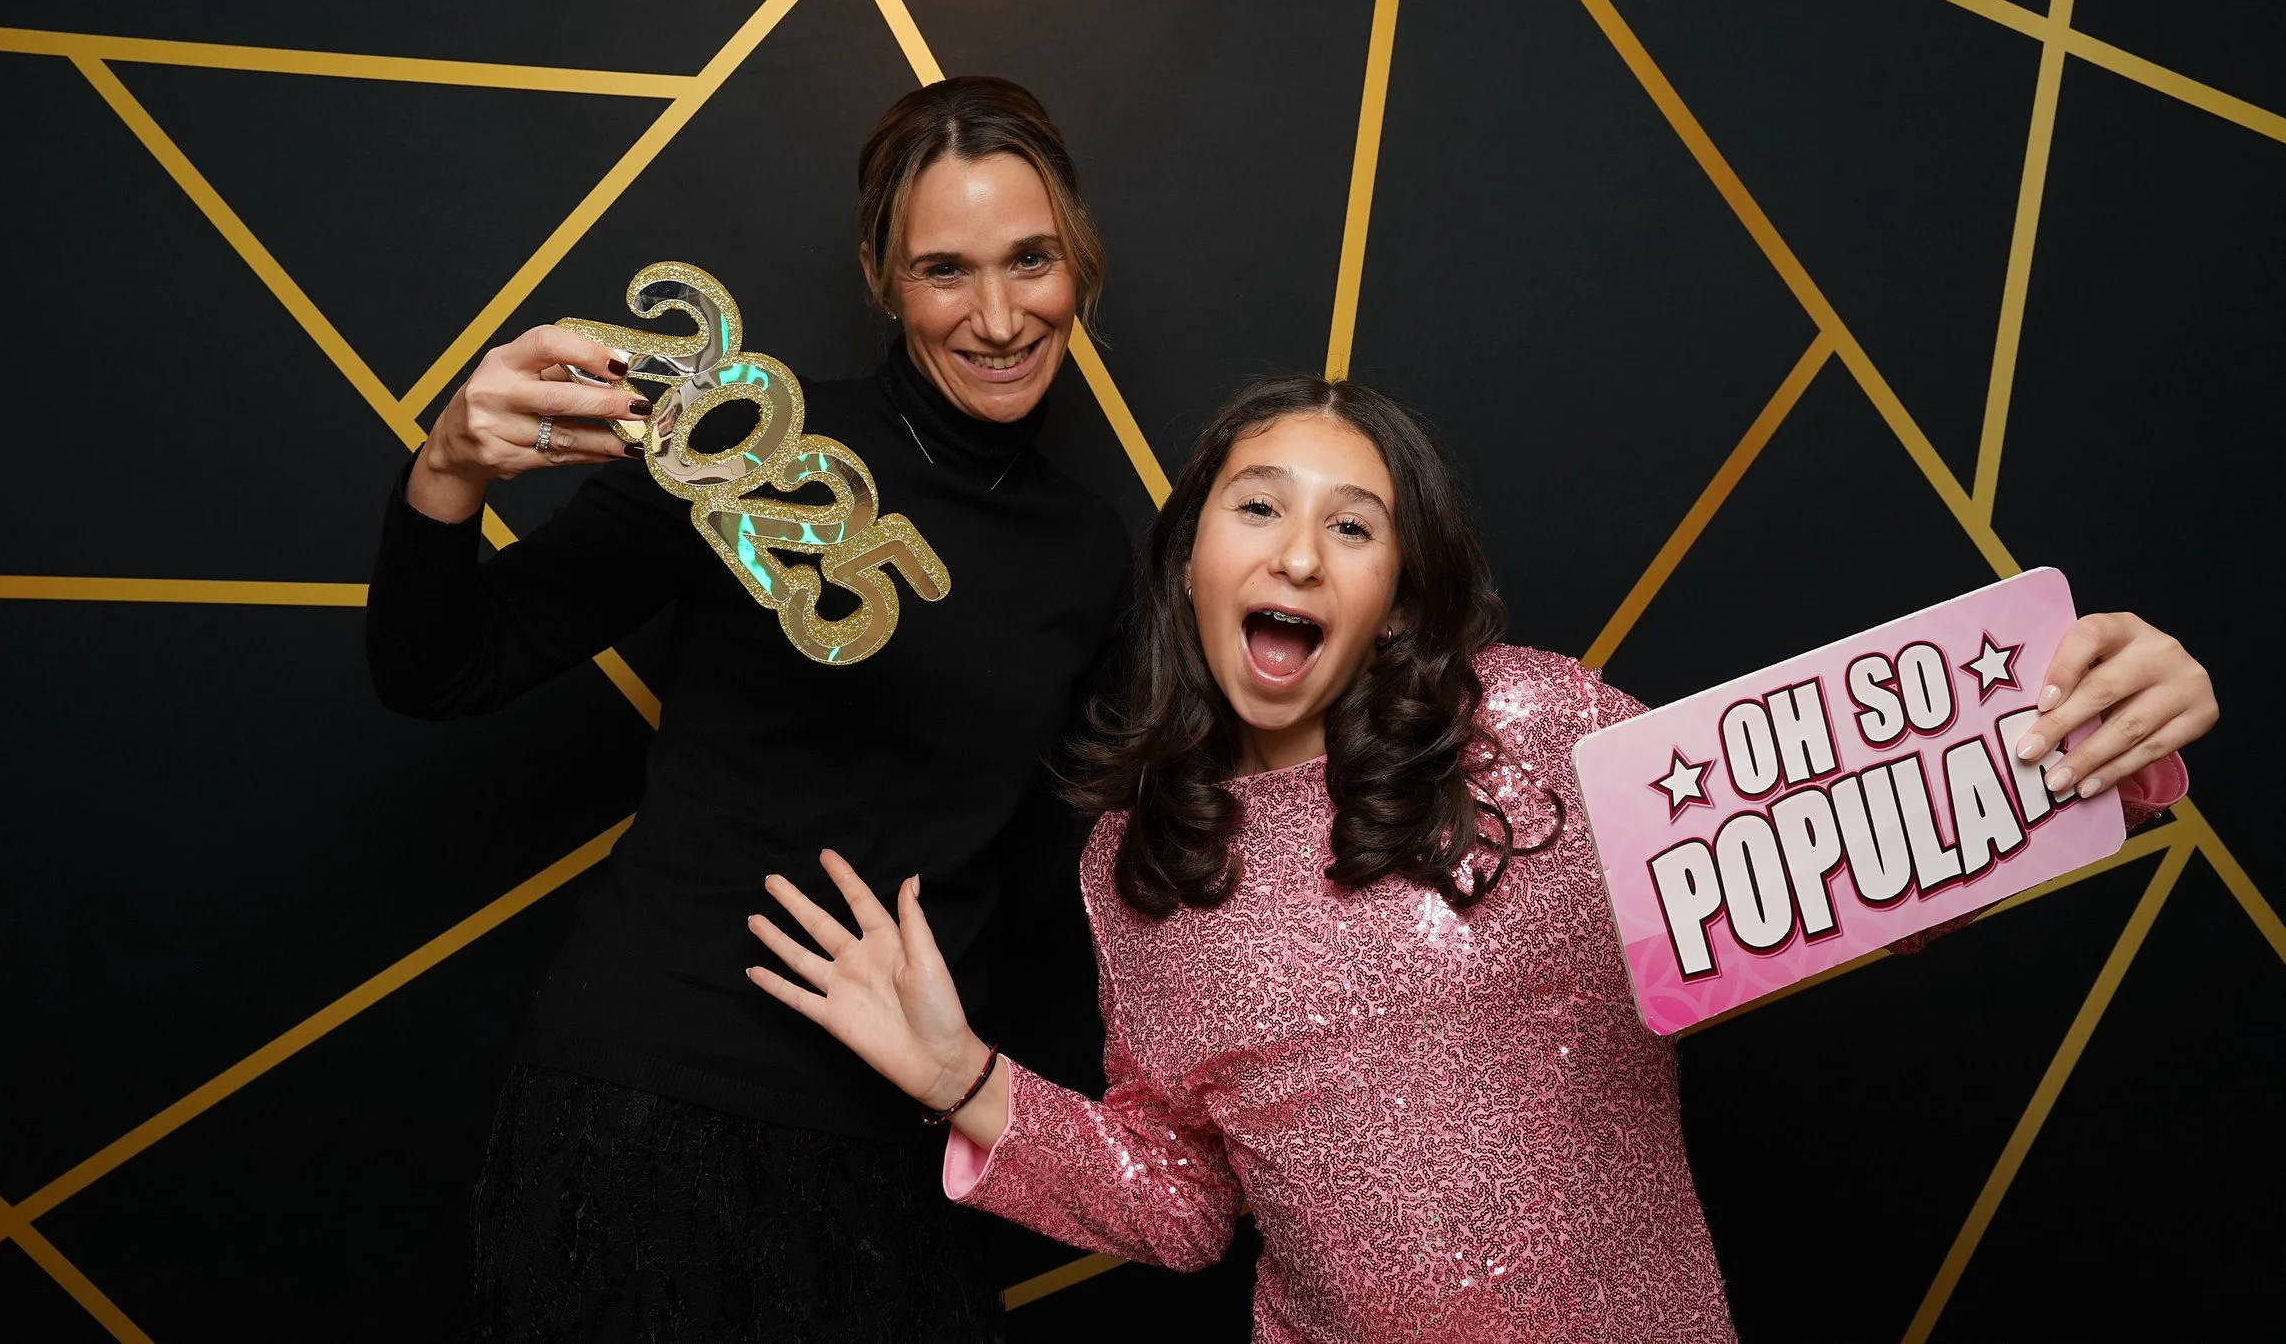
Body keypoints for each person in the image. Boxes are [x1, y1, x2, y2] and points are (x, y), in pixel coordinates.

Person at [747, 376, 2217, 1343]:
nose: (1300, 554)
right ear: (1193, 551)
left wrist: (2087, 738)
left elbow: (1825, 864)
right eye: (1258, 504)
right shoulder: (1135, 858)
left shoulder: (1536, 718)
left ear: (1399, 597)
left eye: (1356, 523)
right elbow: (1190, 1201)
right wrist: (970, 1079)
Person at [366, 77, 1132, 1341]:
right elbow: (440, 667)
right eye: (945, 269)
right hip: (650, 1100)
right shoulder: (743, 449)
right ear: (882, 277)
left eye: (1031, 259)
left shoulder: (1092, 551)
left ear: (1077, 262)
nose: (998, 315)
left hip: (898, 1133)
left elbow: (1051, 877)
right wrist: (446, 467)